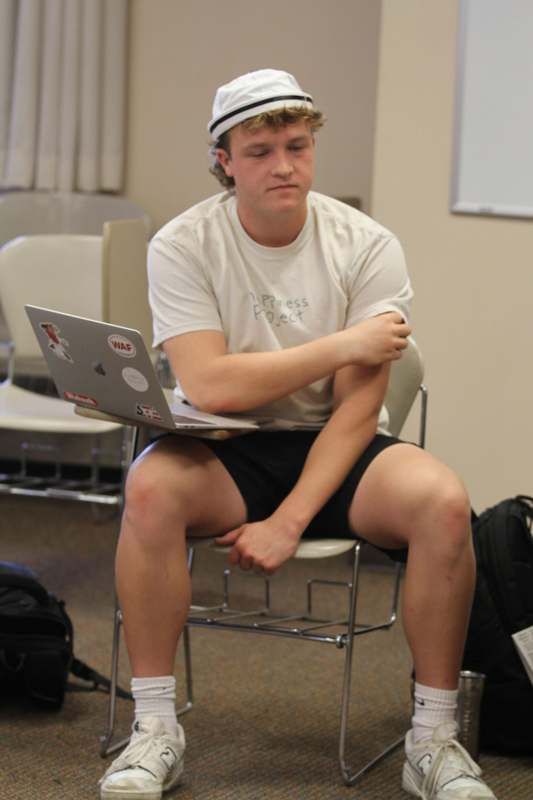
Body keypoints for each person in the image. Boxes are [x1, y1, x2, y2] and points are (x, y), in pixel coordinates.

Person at [99, 69, 497, 800]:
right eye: (259, 151)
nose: (283, 166)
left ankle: (433, 741)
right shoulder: (183, 243)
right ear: (223, 158)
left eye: (297, 146)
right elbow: (212, 384)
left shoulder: (366, 244)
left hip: (338, 446)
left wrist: (288, 520)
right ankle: (155, 730)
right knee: (149, 486)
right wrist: (343, 345)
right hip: (224, 445)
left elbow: (356, 406)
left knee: (442, 501)